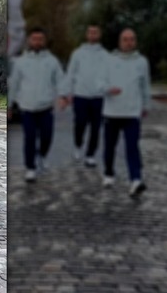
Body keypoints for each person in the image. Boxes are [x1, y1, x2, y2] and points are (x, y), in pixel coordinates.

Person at [8, 27, 66, 182]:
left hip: (46, 107)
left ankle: (42, 155)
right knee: (30, 138)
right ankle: (30, 167)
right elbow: (14, 84)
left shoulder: (51, 61)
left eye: (40, 39)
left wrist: (63, 96)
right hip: (27, 107)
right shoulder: (21, 62)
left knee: (47, 137)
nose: (37, 42)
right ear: (29, 41)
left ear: (44, 41)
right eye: (34, 39)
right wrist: (9, 105)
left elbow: (60, 80)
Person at [98, 28, 150, 197]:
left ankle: (136, 179)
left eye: (132, 39)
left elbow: (145, 85)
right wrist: (108, 89)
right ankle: (108, 173)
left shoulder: (141, 62)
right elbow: (99, 82)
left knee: (132, 146)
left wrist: (146, 105)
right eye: (125, 39)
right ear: (119, 42)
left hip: (132, 112)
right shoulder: (108, 60)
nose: (129, 42)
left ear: (135, 41)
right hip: (112, 112)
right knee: (109, 146)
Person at [61, 24, 109, 167]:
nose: (93, 35)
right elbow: (70, 74)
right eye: (90, 32)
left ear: (99, 34)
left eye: (95, 32)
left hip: (98, 96)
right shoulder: (78, 53)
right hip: (80, 95)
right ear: (87, 35)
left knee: (96, 127)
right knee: (80, 124)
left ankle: (90, 155)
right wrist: (66, 93)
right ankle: (78, 145)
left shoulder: (105, 55)